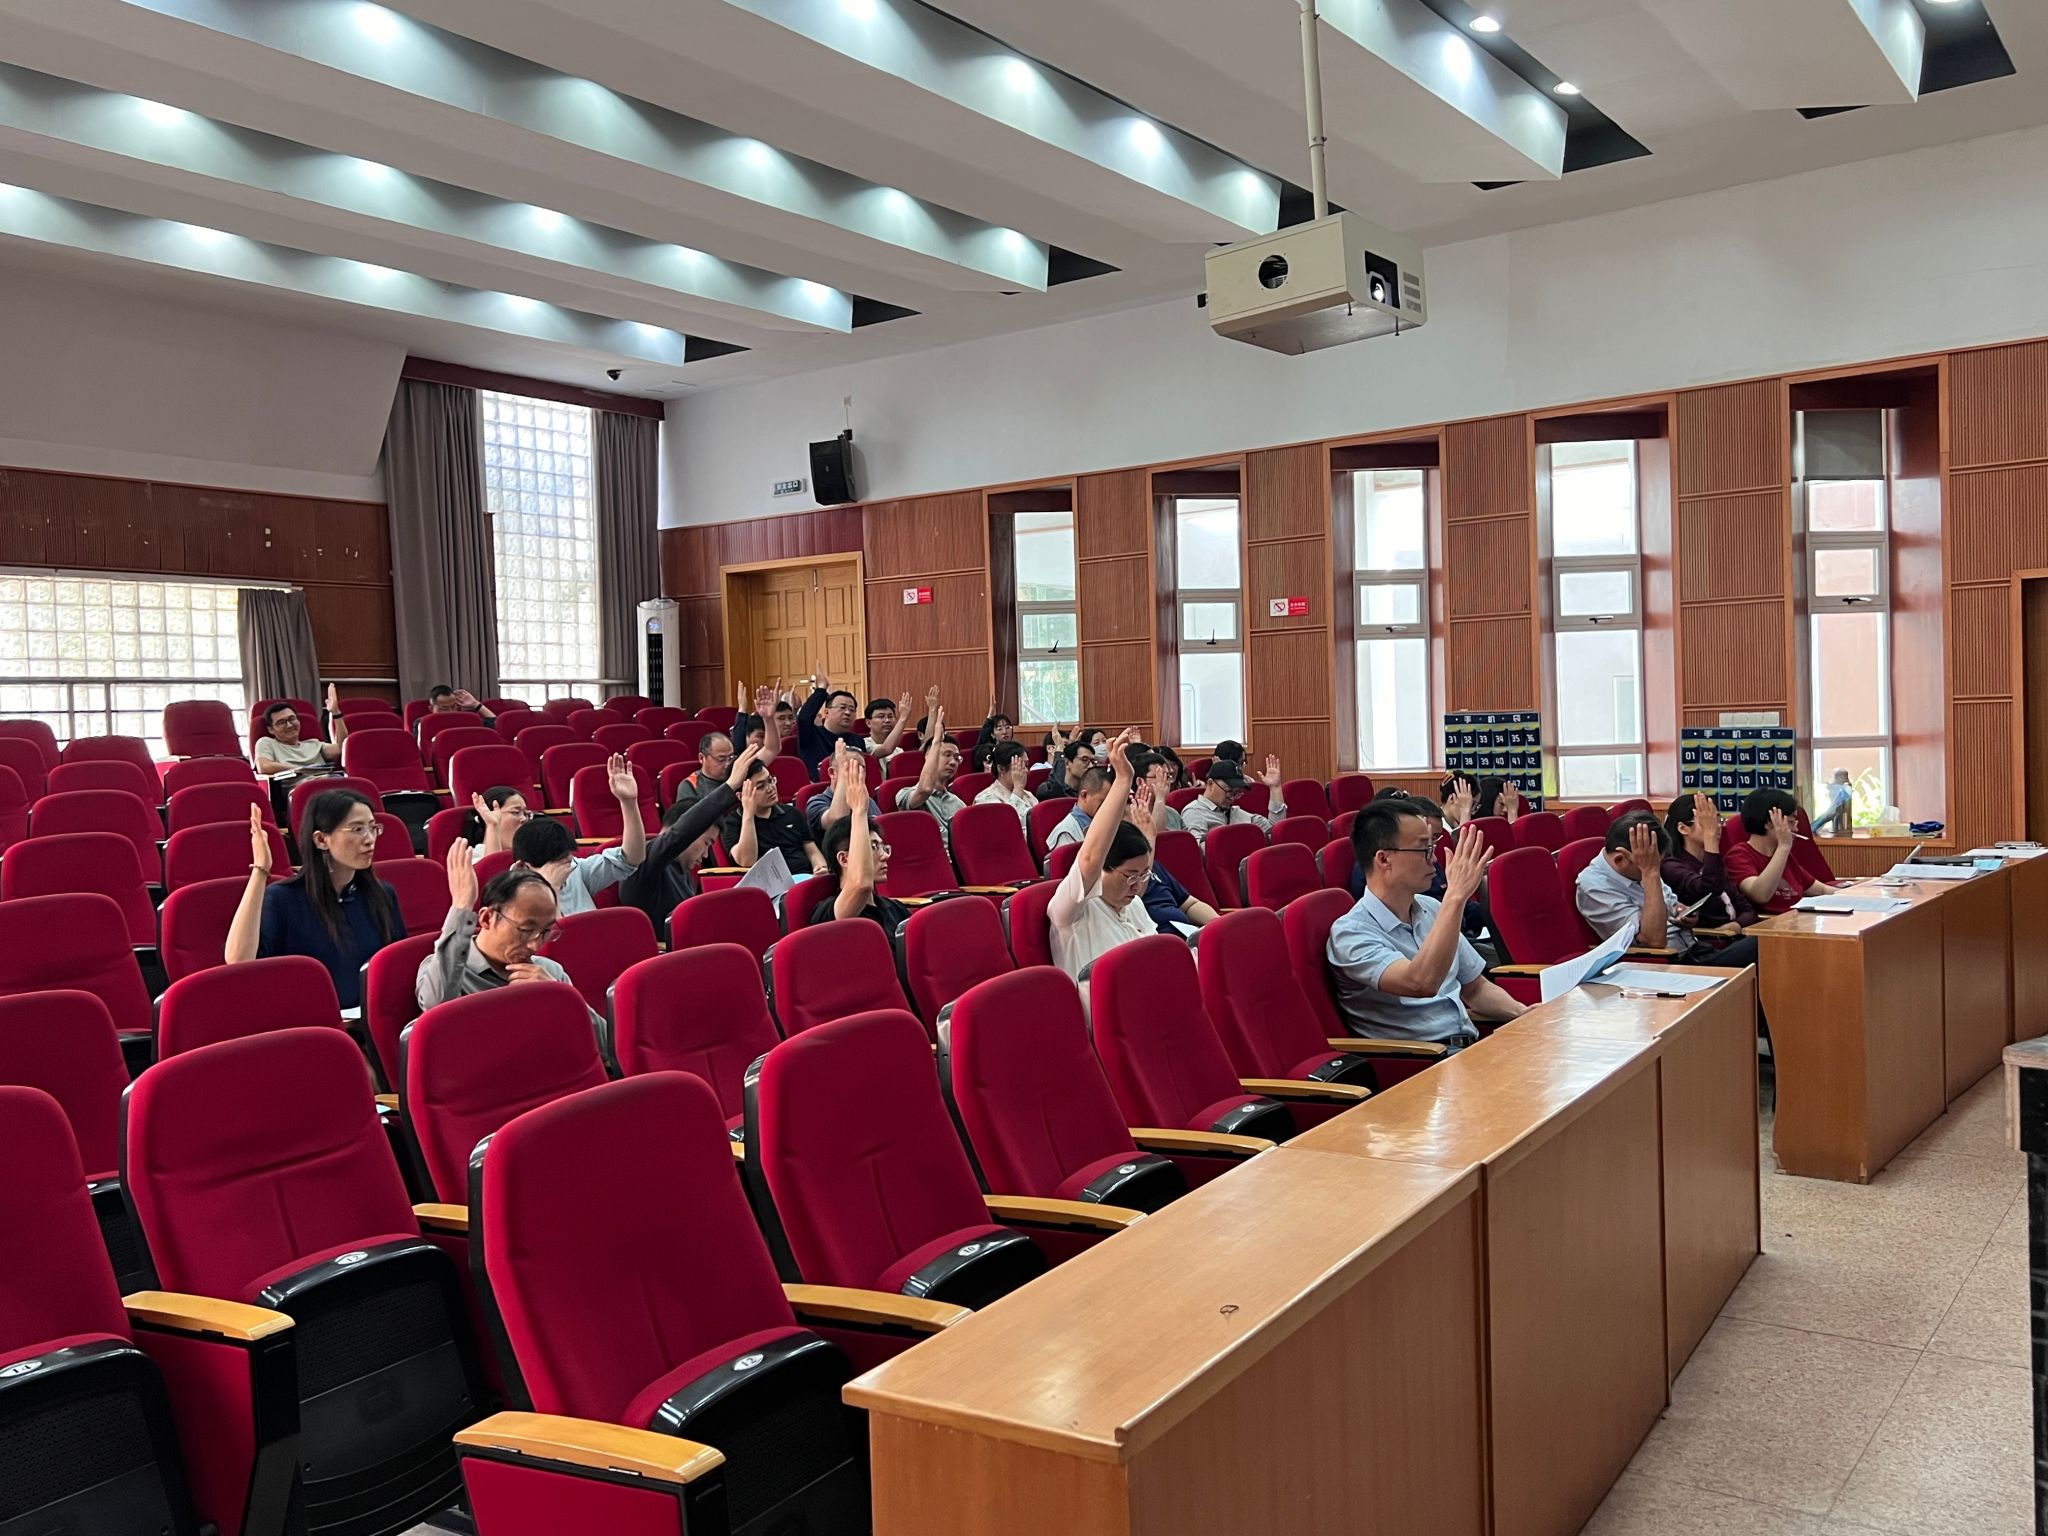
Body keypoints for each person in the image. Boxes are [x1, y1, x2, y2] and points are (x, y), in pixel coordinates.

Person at [1327, 804, 1526, 1048]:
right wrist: (1455, 897)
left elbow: (1475, 988)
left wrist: (1523, 1014)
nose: (1433, 859)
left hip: (1469, 1047)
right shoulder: (1350, 934)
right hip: (1424, 1060)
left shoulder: (1432, 907)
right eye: (1424, 849)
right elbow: (1421, 982)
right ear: (1384, 859)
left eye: (1432, 847)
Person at [223, 792, 398, 1010]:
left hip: (372, 1020)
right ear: (321, 840)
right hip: (309, 1021)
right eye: (357, 829)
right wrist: (261, 870)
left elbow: (395, 965)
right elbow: (238, 960)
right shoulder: (283, 899)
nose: (369, 839)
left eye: (373, 828)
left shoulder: (382, 894)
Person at [1577, 811, 1763, 970]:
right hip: (1666, 963)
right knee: (1762, 947)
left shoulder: (1644, 862)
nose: (1656, 868)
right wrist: (1650, 873)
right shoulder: (1594, 886)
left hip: (1695, 949)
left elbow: (1672, 904)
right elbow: (1653, 941)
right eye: (1652, 866)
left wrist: (1684, 913)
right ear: (1620, 860)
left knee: (1768, 944)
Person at [1047, 732, 1158, 979]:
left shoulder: (1133, 904)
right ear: (1103, 869)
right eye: (1130, 876)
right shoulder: (1073, 910)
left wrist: (1150, 836)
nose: (1137, 885)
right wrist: (1123, 780)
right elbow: (1089, 859)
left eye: (1143, 875)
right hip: (1103, 1003)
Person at [618, 741, 762, 925]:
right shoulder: (644, 860)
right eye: (707, 842)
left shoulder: (683, 871)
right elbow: (683, 832)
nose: (705, 854)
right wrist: (731, 785)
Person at [416, 850, 582, 1009]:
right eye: (525, 930)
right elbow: (436, 1005)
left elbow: (595, 1028)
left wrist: (558, 996)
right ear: (487, 918)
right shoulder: (446, 971)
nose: (535, 946)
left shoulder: (549, 972)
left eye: (545, 932)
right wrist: (462, 906)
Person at [508, 753, 647, 916]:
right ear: (523, 867)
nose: (564, 869)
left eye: (566, 859)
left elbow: (630, 858)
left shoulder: (575, 869)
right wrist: (552, 888)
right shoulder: (511, 897)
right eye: (556, 864)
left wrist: (629, 802)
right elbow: (549, 931)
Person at [814, 749, 914, 930]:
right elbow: (861, 884)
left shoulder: (896, 909)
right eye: (873, 847)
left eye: (884, 847)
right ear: (844, 859)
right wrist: (859, 811)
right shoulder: (828, 911)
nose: (885, 856)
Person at [1722, 788, 1838, 916]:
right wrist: (1783, 847)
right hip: (1772, 924)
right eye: (1791, 822)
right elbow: (1760, 895)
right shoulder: (1738, 856)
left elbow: (1822, 889)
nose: (1796, 829)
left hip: (1799, 920)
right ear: (1768, 823)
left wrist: (1851, 895)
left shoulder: (1784, 857)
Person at [1662, 793, 1756, 928]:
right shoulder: (1671, 866)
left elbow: (1748, 910)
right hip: (1708, 937)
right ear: (1683, 828)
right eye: (1707, 822)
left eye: (1718, 820)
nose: (1716, 827)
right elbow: (1710, 889)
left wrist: (1737, 925)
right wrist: (1710, 837)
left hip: (1733, 934)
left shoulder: (1713, 862)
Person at [734, 757, 828, 876]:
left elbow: (811, 850)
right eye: (761, 786)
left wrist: (821, 867)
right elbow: (747, 861)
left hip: (806, 877)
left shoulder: (792, 813)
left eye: (770, 780)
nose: (770, 788)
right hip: (769, 884)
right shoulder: (733, 822)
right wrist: (748, 815)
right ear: (741, 796)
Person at [1182, 755, 1286, 844]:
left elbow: (1274, 832)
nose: (1232, 798)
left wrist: (1275, 788)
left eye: (1236, 793)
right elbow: (1196, 850)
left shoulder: (1237, 812)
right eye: (1229, 791)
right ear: (1210, 784)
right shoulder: (1194, 812)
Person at [900, 709, 966, 845]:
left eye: (956, 757)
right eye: (947, 755)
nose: (953, 762)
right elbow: (924, 790)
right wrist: (936, 742)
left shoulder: (958, 803)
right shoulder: (905, 793)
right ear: (928, 757)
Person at [254, 686, 348, 777]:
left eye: (292, 719)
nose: (289, 725)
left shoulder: (314, 744)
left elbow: (341, 748)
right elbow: (264, 767)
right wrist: (301, 769)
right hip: (300, 785)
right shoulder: (267, 743)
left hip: (329, 780)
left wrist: (335, 712)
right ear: (271, 729)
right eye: (281, 722)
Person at [791, 666, 869, 779]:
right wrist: (821, 690)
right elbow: (804, 718)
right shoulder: (811, 735)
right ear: (826, 712)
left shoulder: (857, 740)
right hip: (821, 788)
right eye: (842, 708)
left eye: (852, 710)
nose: (848, 712)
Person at [1046, 766, 1112, 852]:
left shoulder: (1111, 822)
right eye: (1103, 801)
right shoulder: (1066, 833)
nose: (1109, 807)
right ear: (1084, 795)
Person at [974, 741, 1037, 826]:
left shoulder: (1029, 796)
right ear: (1001, 769)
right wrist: (1018, 788)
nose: (1026, 770)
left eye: (1026, 765)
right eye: (1020, 766)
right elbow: (1006, 825)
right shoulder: (985, 798)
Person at [464, 785, 531, 854]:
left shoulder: (528, 855)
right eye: (516, 812)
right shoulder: (471, 857)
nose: (524, 819)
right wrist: (493, 825)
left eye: (526, 814)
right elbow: (493, 861)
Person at [1036, 732, 1094, 802]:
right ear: (1067, 763)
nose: (1091, 766)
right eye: (1085, 760)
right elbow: (1055, 790)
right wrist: (1060, 749)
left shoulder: (1091, 791)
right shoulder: (1047, 789)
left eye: (1093, 761)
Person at [861, 693, 915, 759]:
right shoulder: (863, 744)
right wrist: (903, 717)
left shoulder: (898, 751)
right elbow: (885, 750)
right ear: (868, 723)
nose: (887, 720)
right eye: (881, 716)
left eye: (890, 716)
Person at [1810, 769, 1854, 835]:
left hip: (1838, 810)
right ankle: (1811, 828)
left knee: (1827, 816)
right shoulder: (1839, 787)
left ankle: (1812, 828)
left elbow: (1842, 800)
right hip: (1835, 810)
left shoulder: (1846, 787)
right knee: (1826, 816)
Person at [427, 684, 495, 725]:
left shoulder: (465, 719)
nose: (451, 712)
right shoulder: (425, 724)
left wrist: (475, 704)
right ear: (431, 709)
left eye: (453, 707)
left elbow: (494, 724)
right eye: (444, 709)